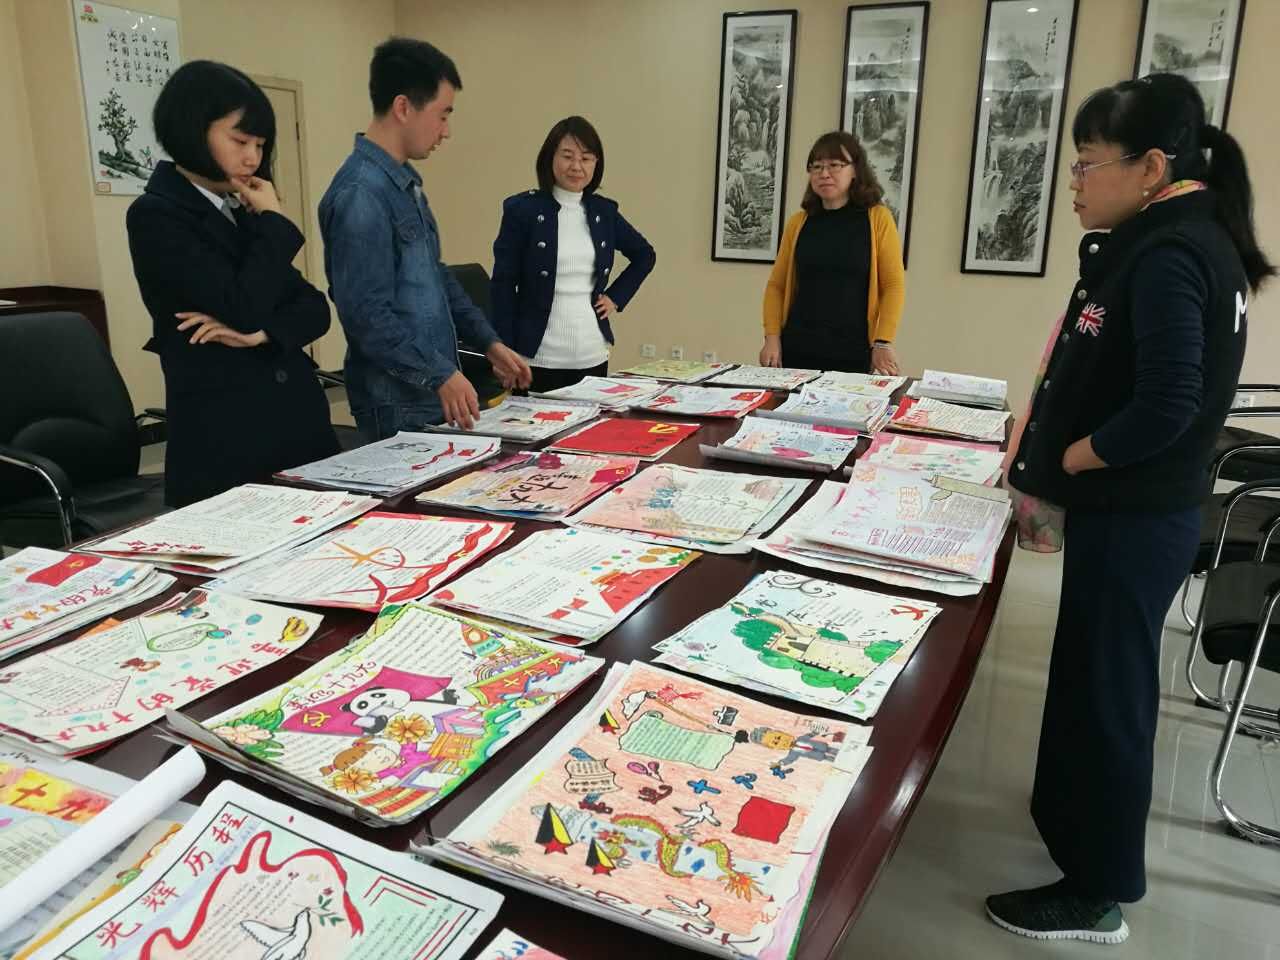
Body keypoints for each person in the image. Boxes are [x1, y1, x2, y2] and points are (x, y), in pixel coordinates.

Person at [988, 73, 1272, 945]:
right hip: (1140, 514)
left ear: (1151, 167)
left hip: (1136, 515)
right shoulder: (1180, 237)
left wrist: (1073, 456)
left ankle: (1097, 894)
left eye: (1086, 164)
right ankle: (1078, 834)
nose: (1073, 182)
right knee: (1094, 683)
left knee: (1109, 697)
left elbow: (1169, 402)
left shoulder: (1171, 253)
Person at [127, 61, 338, 508]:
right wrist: (275, 221)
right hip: (227, 439)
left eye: (260, 145)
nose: (253, 158)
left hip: (295, 431)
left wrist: (261, 336)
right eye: (240, 141)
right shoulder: (157, 215)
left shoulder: (240, 209)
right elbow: (242, 305)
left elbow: (314, 308)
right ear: (192, 130)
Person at [319, 37, 530, 438]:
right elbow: (366, 315)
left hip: (430, 394)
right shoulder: (360, 194)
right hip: (398, 403)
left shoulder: (404, 185)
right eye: (442, 115)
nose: (446, 131)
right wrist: (439, 374)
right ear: (403, 108)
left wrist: (489, 343)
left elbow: (437, 278)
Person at [491, 116, 655, 392]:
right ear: (550, 158)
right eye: (567, 156)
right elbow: (502, 285)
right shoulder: (523, 210)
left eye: (586, 158)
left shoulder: (604, 212)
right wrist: (501, 350)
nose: (576, 166)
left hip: (592, 354)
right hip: (535, 357)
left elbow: (644, 255)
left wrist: (615, 297)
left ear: (596, 164)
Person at [760, 131, 905, 375]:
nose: (824, 174)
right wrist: (771, 337)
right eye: (816, 167)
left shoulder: (877, 218)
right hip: (796, 350)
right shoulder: (799, 223)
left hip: (854, 352)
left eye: (835, 165)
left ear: (855, 170)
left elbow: (893, 285)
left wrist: (882, 342)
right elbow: (777, 286)